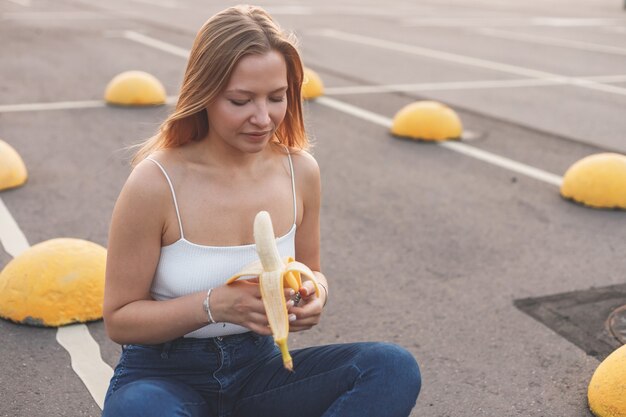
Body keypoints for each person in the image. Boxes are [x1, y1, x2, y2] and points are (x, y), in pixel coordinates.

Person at [102, 5, 421, 417]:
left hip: (260, 370)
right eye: (240, 100)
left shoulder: (300, 171)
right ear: (204, 95)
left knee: (391, 367)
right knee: (141, 410)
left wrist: (314, 294)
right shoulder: (155, 181)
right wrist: (215, 305)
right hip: (164, 376)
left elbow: (312, 270)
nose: (262, 118)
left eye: (277, 97)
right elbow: (120, 320)